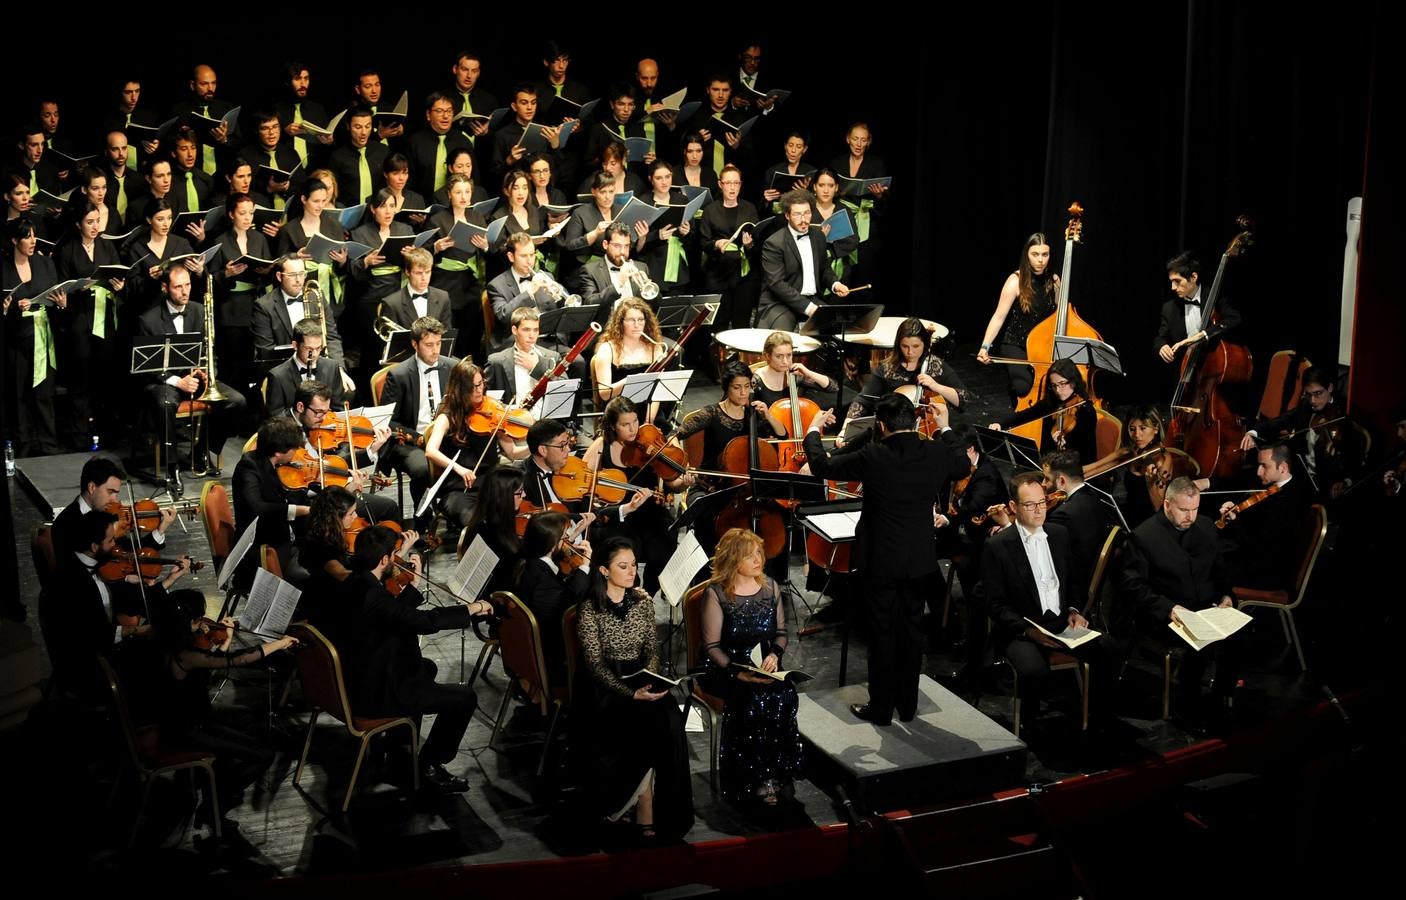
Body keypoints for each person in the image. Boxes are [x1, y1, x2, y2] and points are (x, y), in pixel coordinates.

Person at [802, 393, 963, 725]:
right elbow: (962, 464)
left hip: (880, 561)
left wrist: (813, 432)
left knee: (883, 634)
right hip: (919, 559)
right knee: (911, 633)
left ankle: (881, 709)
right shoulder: (934, 451)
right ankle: (907, 705)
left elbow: (822, 467)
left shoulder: (875, 455)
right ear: (916, 422)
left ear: (881, 426)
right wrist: (945, 428)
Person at [340, 524, 490, 793]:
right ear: (384, 560)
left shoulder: (355, 583)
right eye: (394, 554)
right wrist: (471, 608)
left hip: (361, 673)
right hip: (377, 691)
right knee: (464, 698)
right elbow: (424, 621)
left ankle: (401, 748)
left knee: (427, 667)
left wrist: (414, 584)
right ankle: (430, 764)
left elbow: (392, 614)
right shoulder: (373, 597)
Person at [573, 536, 693, 841]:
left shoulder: (642, 601)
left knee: (669, 721)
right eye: (622, 566)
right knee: (638, 723)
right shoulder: (589, 609)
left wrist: (648, 679)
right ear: (603, 570)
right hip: (606, 686)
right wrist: (630, 693)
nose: (631, 572)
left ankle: (658, 804)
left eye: (632, 565)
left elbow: (652, 648)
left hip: (640, 676)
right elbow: (594, 665)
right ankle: (642, 803)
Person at [981, 472, 1107, 726]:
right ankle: (1031, 723)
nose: (1039, 511)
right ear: (1014, 507)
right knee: (1033, 671)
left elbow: (1073, 581)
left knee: (1109, 650)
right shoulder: (998, 546)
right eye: (1030, 505)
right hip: (1022, 628)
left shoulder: (1059, 534)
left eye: (1042, 502)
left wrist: (1074, 610)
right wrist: (1029, 631)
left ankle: (1092, 717)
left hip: (1061, 623)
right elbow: (995, 604)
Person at [1117, 476, 1242, 731]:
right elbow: (1133, 586)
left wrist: (1227, 596)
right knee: (1201, 645)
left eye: (1195, 509)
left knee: (1239, 635)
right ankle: (1187, 710)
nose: (1190, 516)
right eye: (1184, 510)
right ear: (1167, 505)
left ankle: (1220, 698)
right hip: (1163, 615)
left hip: (1206, 608)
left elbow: (1221, 573)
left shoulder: (1207, 527)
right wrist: (1169, 608)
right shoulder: (1143, 536)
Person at [700, 527, 803, 805]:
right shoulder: (716, 594)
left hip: (761, 665)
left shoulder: (770, 587)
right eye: (749, 556)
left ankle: (777, 772)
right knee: (752, 699)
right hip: (727, 667)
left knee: (782, 694)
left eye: (759, 552)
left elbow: (781, 633)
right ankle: (754, 775)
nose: (758, 559)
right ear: (734, 561)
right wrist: (739, 673)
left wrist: (775, 654)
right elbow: (712, 648)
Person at [136, 265, 247, 478]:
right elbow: (148, 366)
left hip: (197, 377)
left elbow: (210, 349)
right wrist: (178, 381)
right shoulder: (148, 320)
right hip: (165, 381)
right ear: (164, 288)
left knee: (237, 401)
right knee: (165, 403)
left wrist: (207, 372)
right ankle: (172, 467)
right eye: (178, 287)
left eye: (187, 285)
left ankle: (201, 451)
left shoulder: (199, 310)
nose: (185, 291)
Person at [582, 396, 679, 593]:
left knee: (667, 536)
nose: (633, 429)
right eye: (625, 424)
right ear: (613, 426)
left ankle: (649, 593)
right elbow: (583, 479)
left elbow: (673, 484)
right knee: (621, 547)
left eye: (635, 421)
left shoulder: (647, 443)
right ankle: (626, 594)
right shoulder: (602, 446)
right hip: (620, 515)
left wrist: (682, 482)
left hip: (650, 510)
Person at [422, 359, 525, 534]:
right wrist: (460, 469)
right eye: (473, 387)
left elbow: (513, 453)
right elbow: (430, 451)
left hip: (491, 485)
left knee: (517, 518)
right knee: (477, 527)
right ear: (460, 389)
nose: (480, 391)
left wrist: (534, 443)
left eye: (481, 384)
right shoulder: (448, 416)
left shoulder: (492, 411)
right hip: (459, 489)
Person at [1240, 366, 1365, 501]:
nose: (1313, 401)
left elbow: (1355, 455)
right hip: (1301, 475)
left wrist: (1346, 480)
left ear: (1330, 387)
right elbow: (1281, 420)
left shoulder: (1344, 415)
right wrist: (1254, 432)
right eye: (1309, 394)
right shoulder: (1306, 405)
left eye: (1318, 394)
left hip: (1327, 484)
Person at [380, 316, 459, 518]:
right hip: (411, 441)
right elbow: (389, 420)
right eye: (429, 345)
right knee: (422, 468)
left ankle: (455, 510)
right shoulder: (399, 375)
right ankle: (422, 517)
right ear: (415, 344)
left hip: (445, 435)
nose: (435, 350)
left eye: (439, 343)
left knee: (471, 456)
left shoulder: (453, 367)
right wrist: (419, 438)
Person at [1215, 442, 1315, 590]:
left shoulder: (1291, 500)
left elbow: (1258, 544)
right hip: (1256, 558)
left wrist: (1236, 522)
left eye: (1264, 466)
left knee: (1211, 569)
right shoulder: (1272, 488)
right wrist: (1234, 507)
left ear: (1283, 467)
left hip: (1270, 571)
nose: (1258, 472)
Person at [977, 232, 1059, 404]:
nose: (1040, 260)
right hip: (1016, 345)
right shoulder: (1016, 280)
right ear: (1026, 255)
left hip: (1043, 347)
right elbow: (999, 317)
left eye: (1045, 254)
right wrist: (985, 346)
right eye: (1035, 254)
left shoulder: (1054, 281)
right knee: (1024, 388)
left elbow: (1058, 317)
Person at [844, 317, 971, 428]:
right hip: (893, 428)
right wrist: (846, 428)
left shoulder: (935, 365)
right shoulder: (887, 367)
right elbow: (863, 400)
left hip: (927, 427)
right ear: (898, 345)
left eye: (916, 346)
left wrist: (936, 386)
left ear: (925, 344)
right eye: (905, 346)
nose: (910, 352)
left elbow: (965, 399)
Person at [516, 510, 593, 685]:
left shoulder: (531, 561)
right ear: (551, 542)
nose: (568, 539)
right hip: (553, 647)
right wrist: (585, 564)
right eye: (564, 536)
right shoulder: (542, 579)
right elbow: (567, 606)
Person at [232, 416, 313, 583]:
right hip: (266, 546)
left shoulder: (278, 464)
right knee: (316, 575)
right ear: (278, 452)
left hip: (287, 536)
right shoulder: (248, 467)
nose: (297, 453)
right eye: (294, 448)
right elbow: (257, 508)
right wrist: (301, 510)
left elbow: (291, 492)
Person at [1041, 449, 1115, 606]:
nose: (1043, 484)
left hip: (1068, 591)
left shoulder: (1063, 515)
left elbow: (1046, 558)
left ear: (1061, 481)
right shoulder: (1094, 498)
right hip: (1087, 581)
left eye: (1047, 479)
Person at [992, 358, 1098, 463]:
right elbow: (1026, 415)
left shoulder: (1086, 410)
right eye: (1054, 385)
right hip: (1048, 463)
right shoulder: (1051, 402)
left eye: (1062, 384)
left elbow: (1088, 454)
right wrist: (1001, 424)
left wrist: (1064, 446)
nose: (1058, 390)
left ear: (1073, 382)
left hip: (1072, 469)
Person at [698, 164, 760, 336]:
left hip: (743, 274)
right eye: (728, 183)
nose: (732, 187)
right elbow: (704, 241)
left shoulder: (749, 208)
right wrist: (716, 244)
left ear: (740, 185)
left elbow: (757, 239)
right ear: (720, 184)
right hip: (718, 273)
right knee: (719, 324)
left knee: (742, 323)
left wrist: (748, 245)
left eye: (736, 183)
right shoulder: (710, 210)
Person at [1155, 251, 1242, 366]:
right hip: (1184, 371)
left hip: (1216, 365)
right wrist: (1162, 346)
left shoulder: (1215, 296)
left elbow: (1234, 319)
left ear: (1193, 277)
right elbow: (1160, 338)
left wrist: (1201, 335)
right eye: (1171, 281)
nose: (1173, 287)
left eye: (1177, 281)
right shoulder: (1169, 308)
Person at [253, 255, 345, 361]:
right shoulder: (264, 306)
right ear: (279, 276)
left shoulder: (316, 297)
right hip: (285, 369)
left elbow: (331, 338)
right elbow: (266, 351)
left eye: (302, 274)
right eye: (292, 275)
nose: (298, 280)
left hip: (320, 364)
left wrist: (339, 368)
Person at [829, 123, 889, 286]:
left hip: (867, 224)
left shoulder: (876, 164)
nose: (859, 144)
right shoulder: (837, 162)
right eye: (855, 139)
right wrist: (836, 192)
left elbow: (884, 200)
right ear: (848, 139)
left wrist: (879, 195)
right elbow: (827, 191)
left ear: (868, 142)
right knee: (841, 270)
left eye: (863, 140)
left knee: (864, 273)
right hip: (842, 221)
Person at [485, 230, 564, 354]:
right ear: (511, 257)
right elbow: (503, 316)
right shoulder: (496, 285)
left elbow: (560, 312)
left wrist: (560, 296)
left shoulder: (546, 276)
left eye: (532, 255)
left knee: (578, 361)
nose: (529, 261)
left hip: (546, 341)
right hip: (515, 343)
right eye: (523, 256)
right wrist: (530, 292)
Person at [590, 299, 670, 410]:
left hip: (648, 409)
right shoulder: (607, 349)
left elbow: (657, 390)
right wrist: (630, 381)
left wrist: (649, 420)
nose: (637, 325)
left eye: (641, 319)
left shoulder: (655, 347)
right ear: (620, 322)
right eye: (631, 320)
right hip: (619, 411)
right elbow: (605, 394)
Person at [460, 467, 526, 597]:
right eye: (519, 492)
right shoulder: (487, 534)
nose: (524, 495)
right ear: (503, 496)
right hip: (507, 600)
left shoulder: (498, 521)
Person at [636, 159, 693, 294]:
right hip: (654, 265)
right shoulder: (644, 201)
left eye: (668, 177)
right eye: (659, 178)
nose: (664, 181)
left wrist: (687, 233)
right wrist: (657, 236)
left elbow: (693, 240)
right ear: (651, 179)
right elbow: (637, 245)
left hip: (678, 266)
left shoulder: (682, 200)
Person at [484, 306, 560, 404]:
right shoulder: (496, 361)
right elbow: (486, 398)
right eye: (526, 330)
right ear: (514, 330)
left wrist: (536, 367)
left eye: (536, 330)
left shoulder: (553, 357)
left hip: (545, 418)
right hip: (513, 417)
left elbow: (563, 387)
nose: (532, 335)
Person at [265, 318, 345, 412]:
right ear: (295, 345)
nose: (315, 354)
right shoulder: (278, 376)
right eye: (309, 349)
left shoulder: (332, 367)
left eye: (318, 348)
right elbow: (275, 417)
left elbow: (339, 409)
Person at [579, 222, 655, 318]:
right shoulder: (590, 270)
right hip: (608, 329)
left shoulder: (641, 267)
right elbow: (589, 303)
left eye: (626, 246)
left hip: (636, 327)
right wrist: (618, 284)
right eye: (617, 246)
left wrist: (648, 285)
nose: (623, 252)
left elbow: (655, 306)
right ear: (605, 244)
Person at [382, 246, 453, 330]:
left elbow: (446, 334)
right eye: (418, 273)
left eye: (427, 272)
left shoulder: (443, 297)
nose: (424, 278)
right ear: (407, 272)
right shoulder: (392, 303)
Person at [327, 107, 387, 206]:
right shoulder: (338, 157)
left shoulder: (383, 151)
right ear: (348, 126)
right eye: (358, 127)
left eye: (368, 126)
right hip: (348, 212)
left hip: (379, 210)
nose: (363, 132)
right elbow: (332, 190)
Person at [760, 132, 816, 213]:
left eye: (799, 147)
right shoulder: (772, 171)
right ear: (785, 146)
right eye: (790, 145)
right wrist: (766, 200)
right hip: (778, 217)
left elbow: (816, 203)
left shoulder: (811, 172)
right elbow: (762, 207)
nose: (793, 150)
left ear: (804, 149)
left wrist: (806, 194)